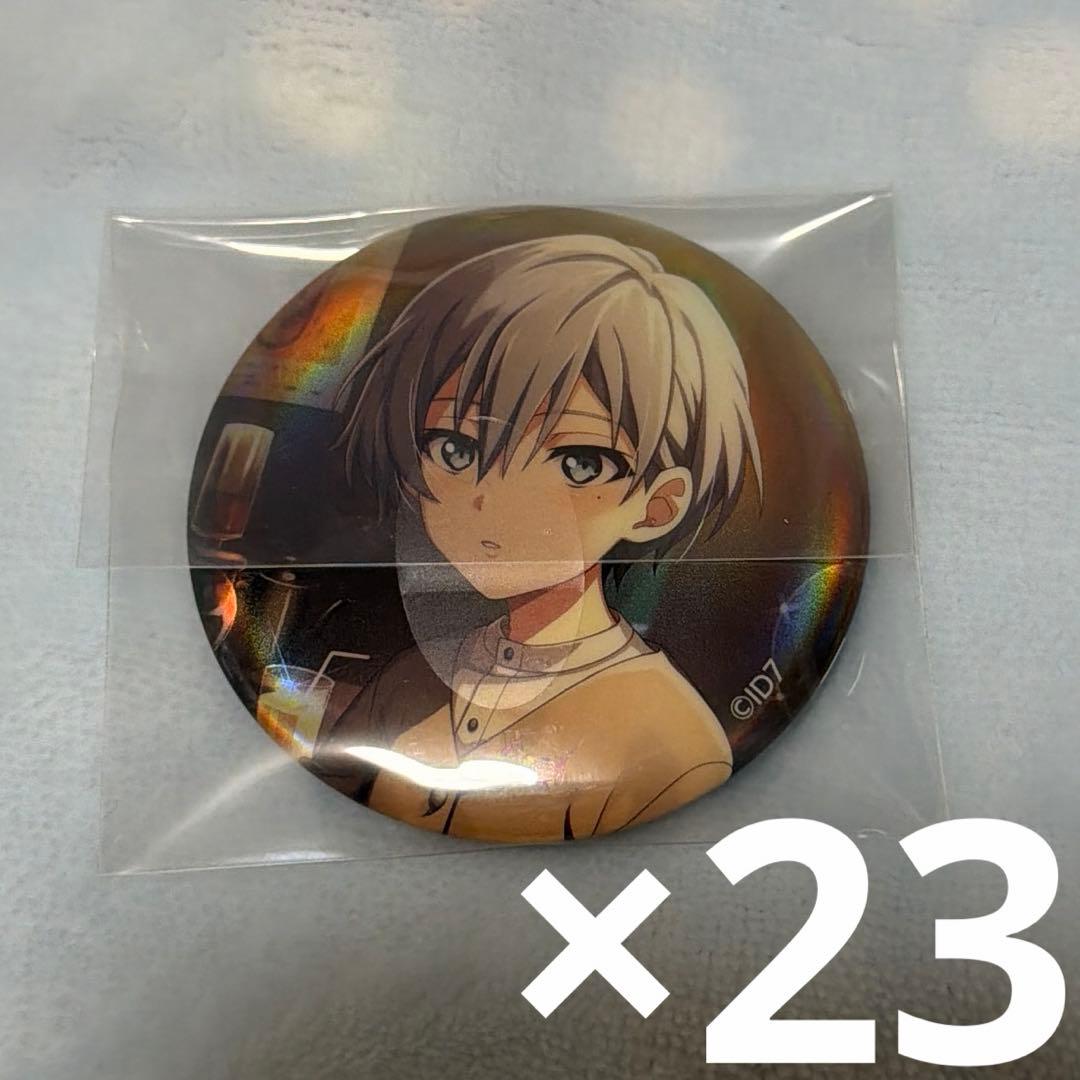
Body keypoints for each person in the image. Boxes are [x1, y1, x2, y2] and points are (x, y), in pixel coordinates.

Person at [314, 233, 761, 841]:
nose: (493, 503)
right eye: (456, 448)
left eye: (579, 463)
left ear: (657, 507)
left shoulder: (670, 745)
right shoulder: (411, 681)